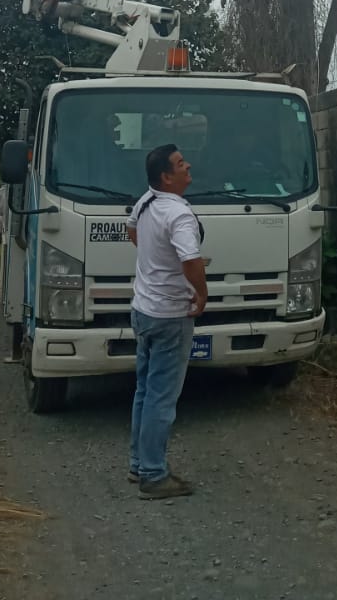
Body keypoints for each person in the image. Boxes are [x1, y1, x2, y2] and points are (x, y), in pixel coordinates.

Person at [126, 144, 208, 499]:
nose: (187, 166)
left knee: (145, 390)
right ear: (166, 176)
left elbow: (132, 230)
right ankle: (154, 475)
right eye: (180, 163)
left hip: (143, 310)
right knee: (161, 397)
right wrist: (201, 292)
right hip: (171, 316)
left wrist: (155, 260)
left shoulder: (146, 201)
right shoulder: (179, 214)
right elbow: (190, 259)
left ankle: (138, 463)